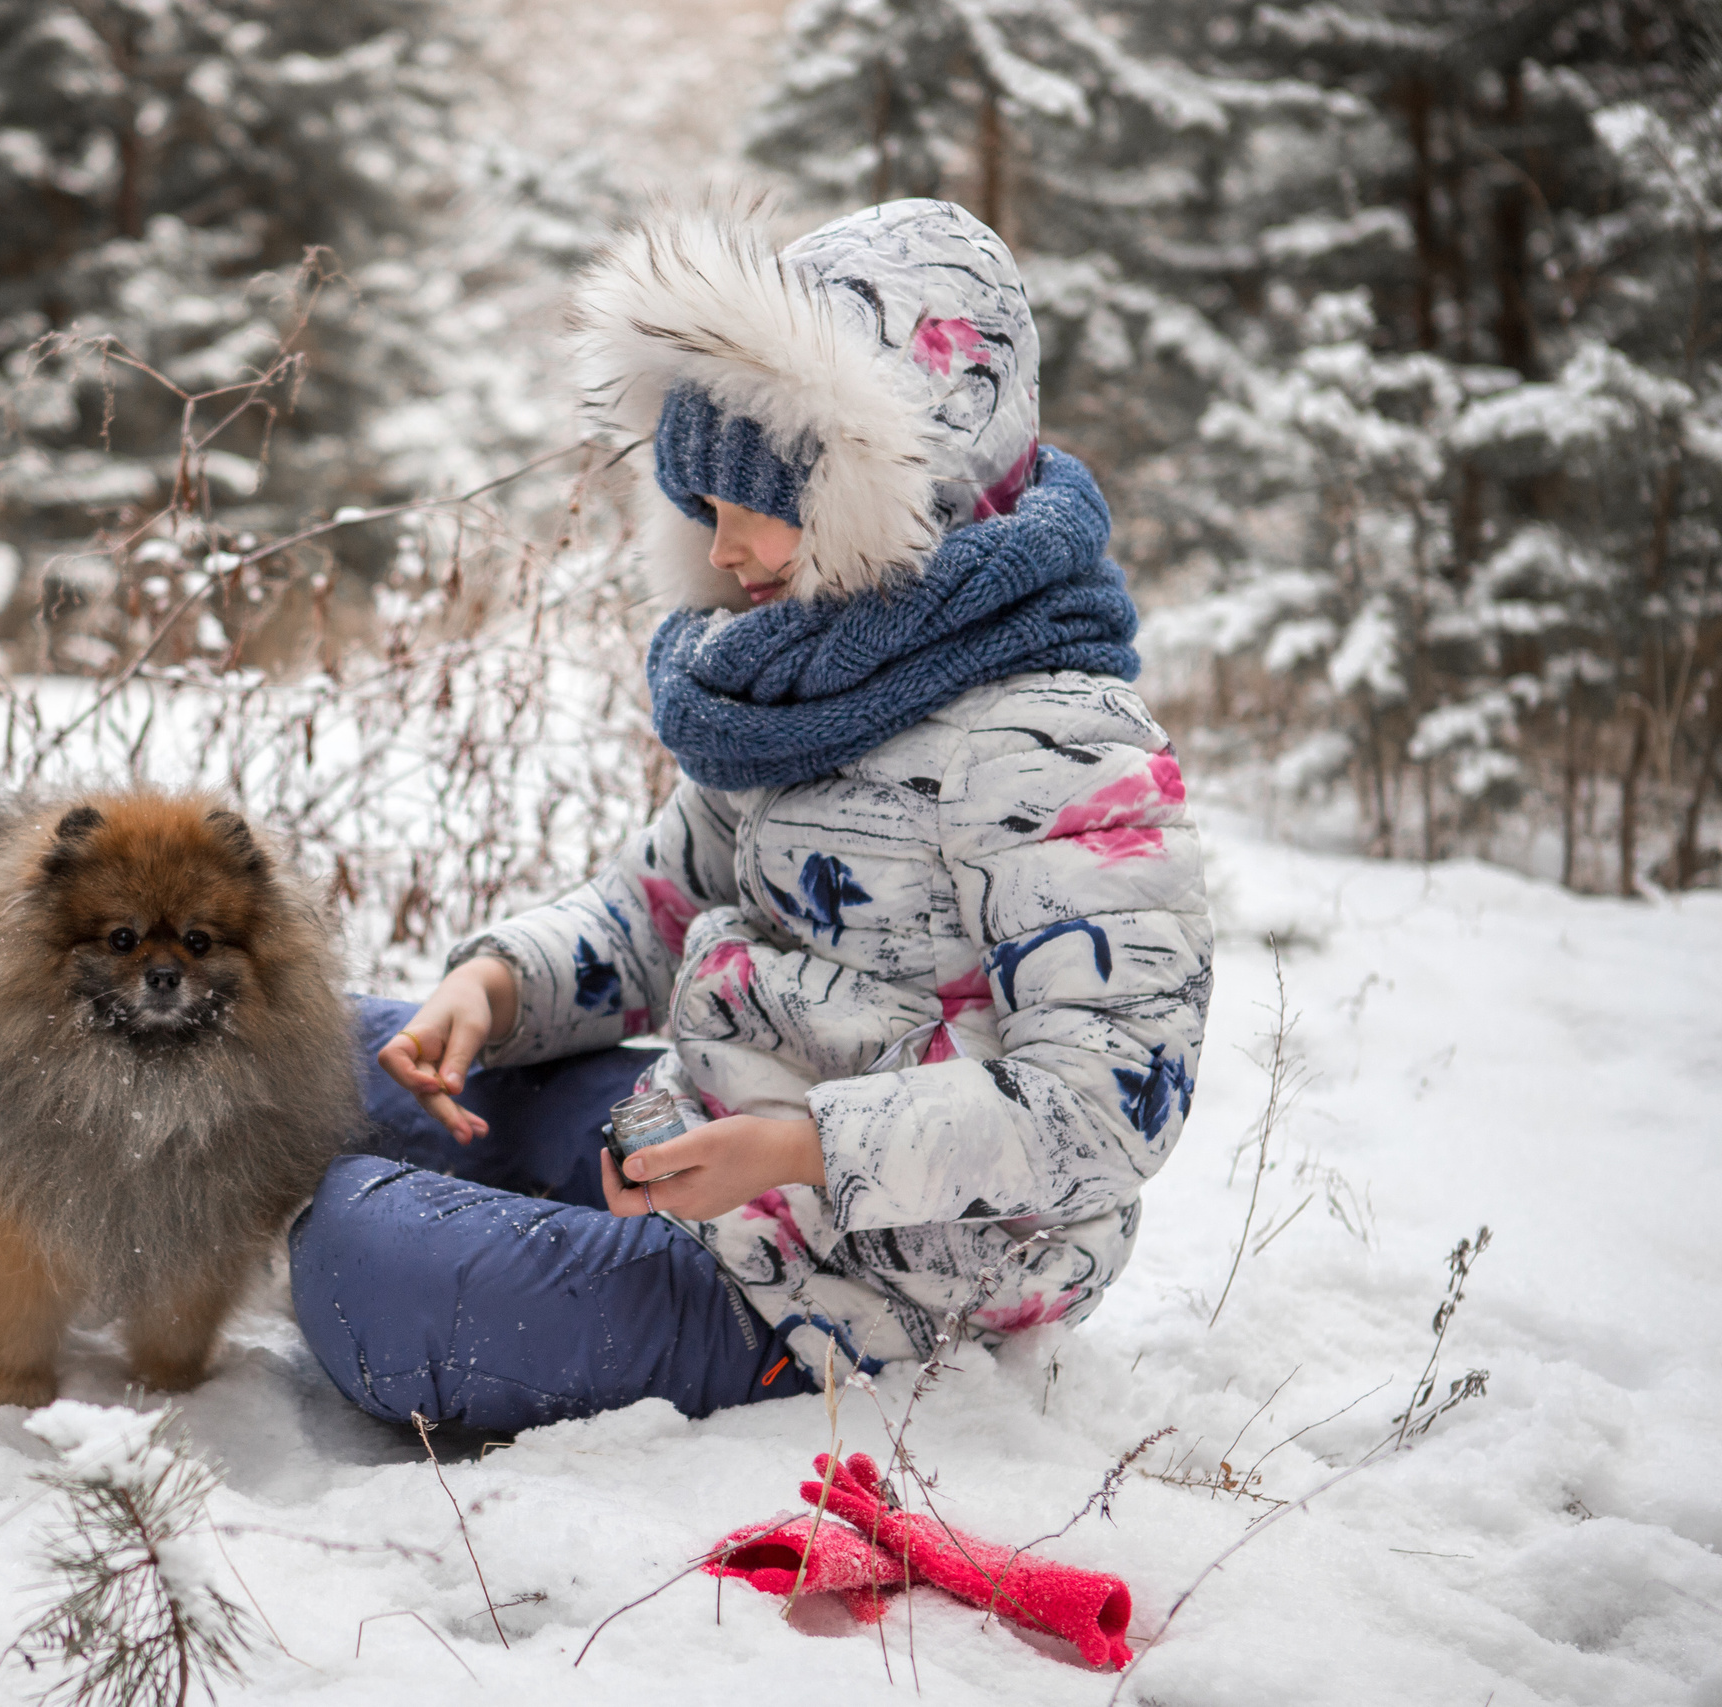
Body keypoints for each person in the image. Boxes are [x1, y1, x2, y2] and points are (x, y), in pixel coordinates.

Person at [287, 199, 1213, 1434]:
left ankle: (349, 1236)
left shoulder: (1061, 747)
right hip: (710, 1133)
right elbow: (658, 903)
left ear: (893, 487)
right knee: (320, 1046)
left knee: (355, 1250)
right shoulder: (806, 674)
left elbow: (1108, 1102)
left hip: (868, 1286)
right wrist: (498, 988)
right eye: (700, 503)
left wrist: (799, 1147)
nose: (723, 553)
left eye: (760, 503)